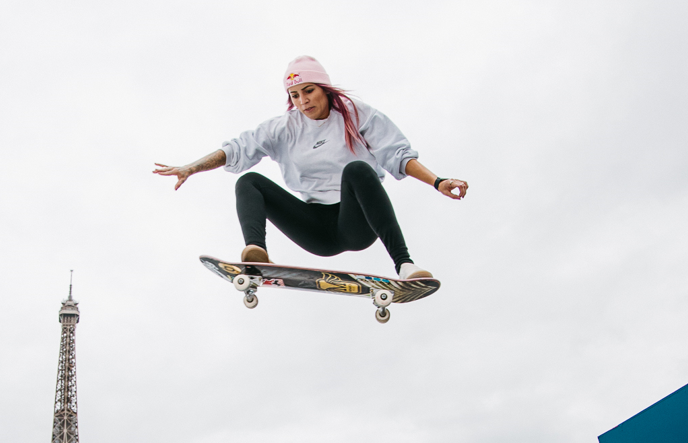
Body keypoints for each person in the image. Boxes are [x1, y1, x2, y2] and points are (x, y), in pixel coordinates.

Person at [154, 55, 465, 279]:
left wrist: (438, 182)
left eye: (309, 91)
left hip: (357, 223)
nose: (303, 101)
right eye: (295, 95)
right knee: (249, 181)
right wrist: (191, 167)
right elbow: (237, 149)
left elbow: (398, 155)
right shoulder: (284, 128)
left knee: (357, 170)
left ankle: (405, 265)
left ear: (324, 89)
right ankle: (256, 253)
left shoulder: (356, 114)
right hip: (316, 230)